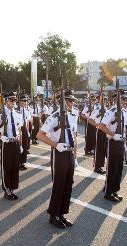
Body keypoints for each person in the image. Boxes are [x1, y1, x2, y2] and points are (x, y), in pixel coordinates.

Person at [36, 90, 78, 228]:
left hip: (69, 153)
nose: (73, 103)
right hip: (59, 152)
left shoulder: (72, 115)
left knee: (68, 183)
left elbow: (74, 135)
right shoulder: (54, 116)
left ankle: (62, 213)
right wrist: (55, 145)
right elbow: (40, 135)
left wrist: (75, 156)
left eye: (73, 101)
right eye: (70, 101)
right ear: (63, 101)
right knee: (59, 184)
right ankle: (54, 215)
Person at [0, 92, 23, 200]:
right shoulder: (0, 114)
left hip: (15, 142)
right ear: (6, 101)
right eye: (11, 100)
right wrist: (0, 137)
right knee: (7, 167)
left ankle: (12, 188)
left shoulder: (18, 114)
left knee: (15, 167)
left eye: (14, 100)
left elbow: (19, 130)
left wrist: (20, 145)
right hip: (6, 143)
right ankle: (7, 189)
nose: (13, 102)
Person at [97, 92, 125, 203]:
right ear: (115, 100)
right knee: (112, 168)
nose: (123, 101)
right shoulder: (111, 112)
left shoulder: (122, 112)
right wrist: (113, 135)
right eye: (121, 99)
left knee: (119, 168)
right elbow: (101, 126)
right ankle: (108, 192)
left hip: (120, 142)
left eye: (123, 99)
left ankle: (114, 190)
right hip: (113, 142)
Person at [90, 93, 106, 174]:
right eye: (102, 98)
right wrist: (98, 125)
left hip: (105, 131)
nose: (104, 100)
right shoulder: (97, 109)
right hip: (99, 131)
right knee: (99, 149)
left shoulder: (105, 108)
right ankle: (97, 167)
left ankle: (100, 165)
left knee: (103, 149)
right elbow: (90, 120)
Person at [18, 95, 31, 170]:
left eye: (25, 101)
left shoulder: (27, 111)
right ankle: (18, 162)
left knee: (25, 146)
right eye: (23, 101)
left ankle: (23, 162)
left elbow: (27, 122)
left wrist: (28, 131)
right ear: (19, 102)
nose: (24, 103)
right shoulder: (17, 111)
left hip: (25, 129)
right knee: (20, 146)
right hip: (19, 129)